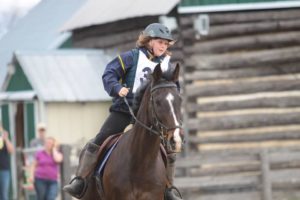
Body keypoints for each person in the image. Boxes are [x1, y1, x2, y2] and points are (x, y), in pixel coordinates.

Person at [63, 23, 183, 200]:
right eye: (159, 42)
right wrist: (117, 88)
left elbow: (173, 89)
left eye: (166, 44)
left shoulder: (167, 66)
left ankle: (168, 189)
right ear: (149, 41)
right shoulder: (130, 57)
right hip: (124, 109)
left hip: (152, 117)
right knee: (99, 140)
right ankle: (80, 181)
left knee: (170, 150)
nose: (163, 46)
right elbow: (109, 74)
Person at [0, 125, 14, 200]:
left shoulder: (4, 139)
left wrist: (6, 139)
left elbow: (11, 151)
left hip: (4, 169)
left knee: (4, 195)